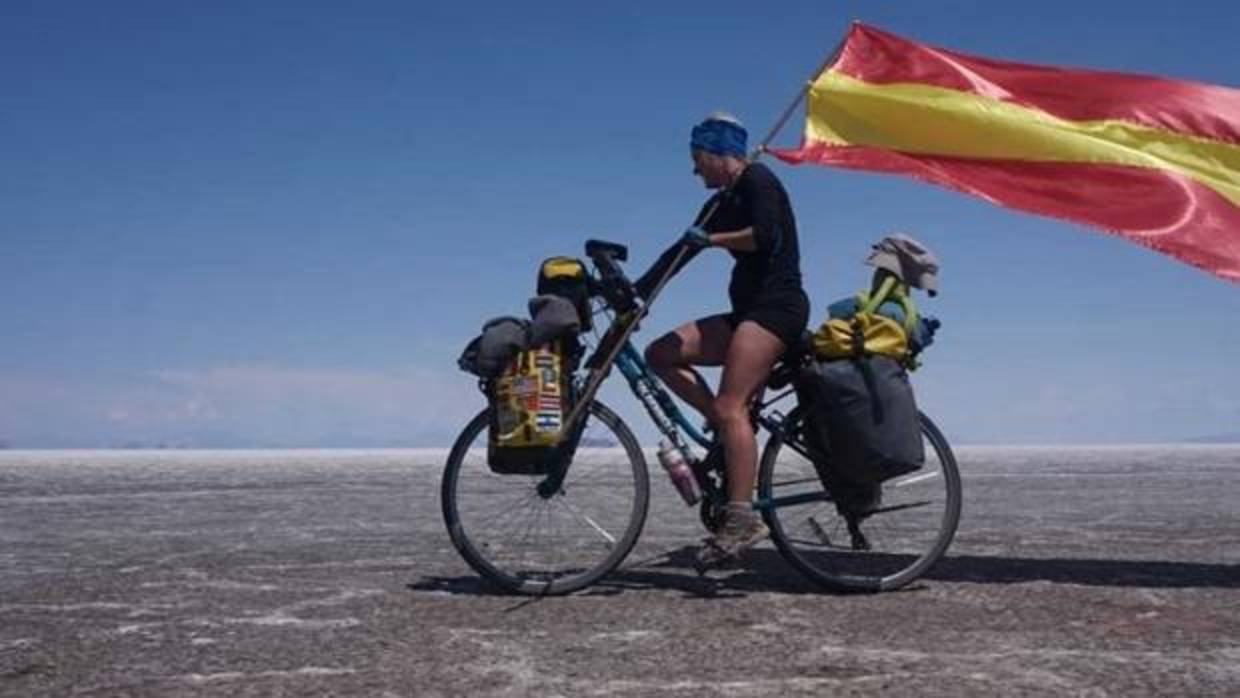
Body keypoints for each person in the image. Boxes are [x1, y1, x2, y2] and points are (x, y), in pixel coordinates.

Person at [634, 112, 810, 563]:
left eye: (698, 160)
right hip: (746, 313)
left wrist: (712, 241)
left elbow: (767, 236)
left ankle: (742, 516)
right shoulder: (721, 201)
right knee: (661, 353)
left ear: (718, 154)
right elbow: (680, 251)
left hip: (776, 310)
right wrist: (636, 295)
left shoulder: (758, 180)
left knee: (733, 404)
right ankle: (723, 425)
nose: (695, 171)